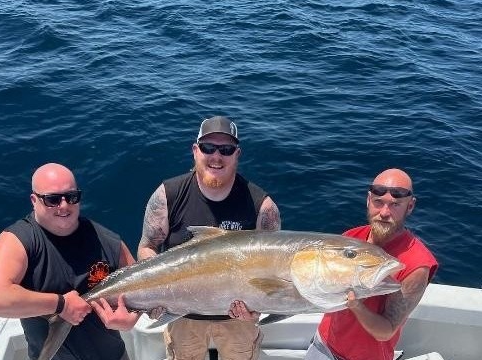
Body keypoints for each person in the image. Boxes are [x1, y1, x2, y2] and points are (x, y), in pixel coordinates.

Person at [138, 115, 282, 360]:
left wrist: (257, 312)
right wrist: (155, 294)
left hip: (238, 322)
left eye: (226, 149)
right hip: (183, 317)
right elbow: (147, 246)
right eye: (208, 148)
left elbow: (273, 273)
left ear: (237, 154)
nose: (216, 156)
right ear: (195, 151)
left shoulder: (262, 207)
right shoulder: (168, 195)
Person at [0, 163, 141, 360]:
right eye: (52, 199)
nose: (64, 206)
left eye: (71, 197)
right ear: (34, 200)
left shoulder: (106, 240)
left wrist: (131, 319)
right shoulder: (18, 240)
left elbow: (141, 286)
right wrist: (60, 304)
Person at [305, 168, 439, 360]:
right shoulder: (350, 238)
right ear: (368, 200)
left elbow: (386, 331)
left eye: (395, 205)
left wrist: (356, 305)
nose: (384, 212)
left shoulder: (416, 264)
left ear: (410, 206)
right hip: (324, 342)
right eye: (378, 202)